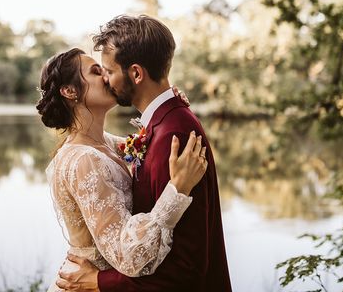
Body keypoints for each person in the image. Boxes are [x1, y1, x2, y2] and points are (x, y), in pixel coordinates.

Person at [55, 15, 233, 292]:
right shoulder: (160, 126)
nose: (105, 79)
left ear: (136, 74)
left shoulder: (174, 137)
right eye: (98, 72)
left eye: (108, 71)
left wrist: (101, 282)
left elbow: (186, 265)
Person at [37, 47, 207, 291]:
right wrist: (178, 190)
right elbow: (129, 257)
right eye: (97, 72)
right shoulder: (84, 160)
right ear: (70, 91)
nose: (107, 77)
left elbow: (150, 141)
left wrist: (168, 103)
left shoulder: (105, 143)